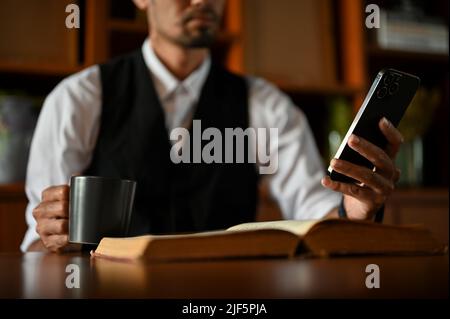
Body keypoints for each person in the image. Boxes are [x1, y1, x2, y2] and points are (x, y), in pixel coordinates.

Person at [21, 0, 403, 253]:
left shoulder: (264, 105)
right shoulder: (81, 98)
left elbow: (313, 210)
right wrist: (52, 235)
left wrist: (353, 209)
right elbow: (37, 242)